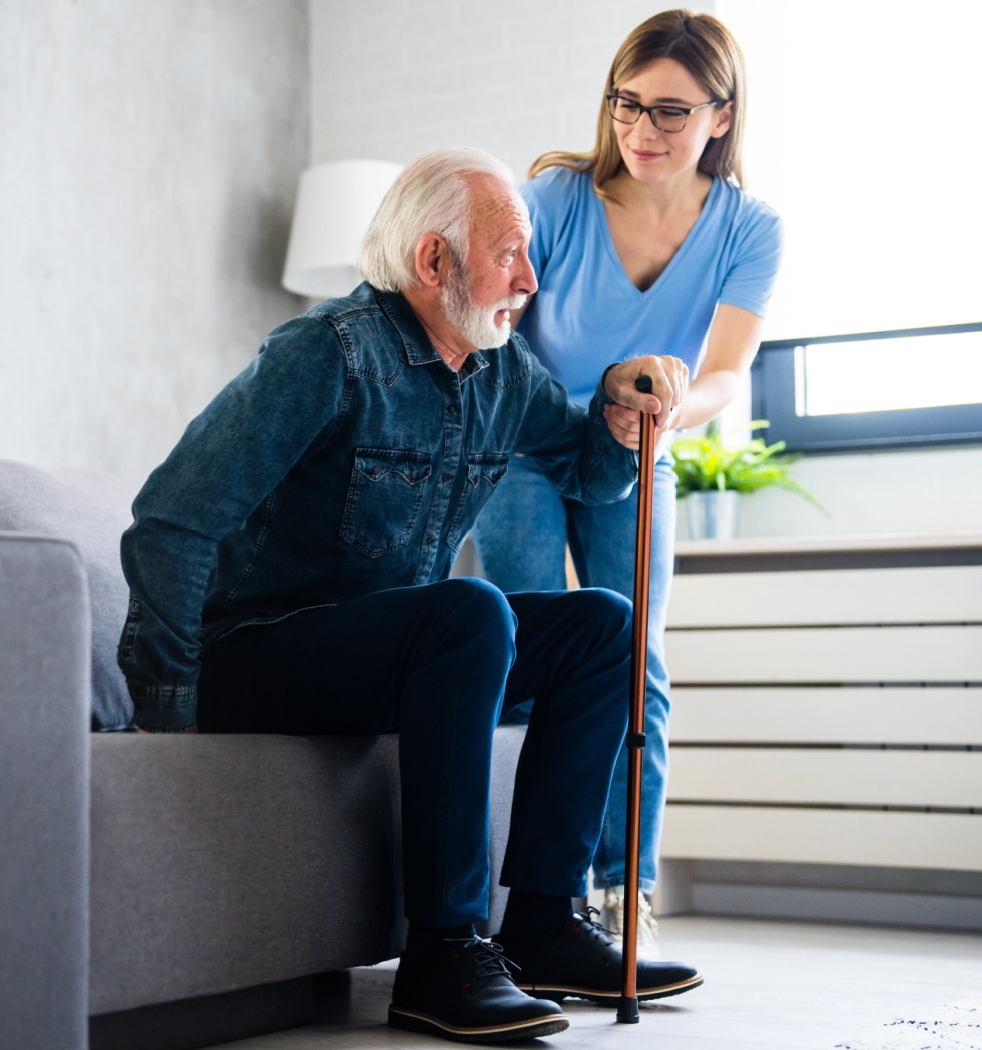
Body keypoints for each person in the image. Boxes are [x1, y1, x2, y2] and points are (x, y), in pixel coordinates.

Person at [119, 148, 702, 1044]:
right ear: (434, 263)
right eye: (509, 254)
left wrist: (620, 411)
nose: (530, 279)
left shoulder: (502, 374)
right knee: (471, 611)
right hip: (261, 648)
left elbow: (587, 472)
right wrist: (168, 707)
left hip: (397, 651)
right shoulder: (328, 354)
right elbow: (171, 518)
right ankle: (441, 955)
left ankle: (542, 924)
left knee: (604, 627)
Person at [470, 8, 783, 957]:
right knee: (524, 654)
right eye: (626, 104)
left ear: (722, 118)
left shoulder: (750, 229)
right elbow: (498, 337)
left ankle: (619, 891)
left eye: (671, 114)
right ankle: (517, 899)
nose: (641, 132)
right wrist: (582, 408)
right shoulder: (557, 198)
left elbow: (726, 373)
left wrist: (662, 407)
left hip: (642, 447)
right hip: (528, 445)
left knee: (635, 668)